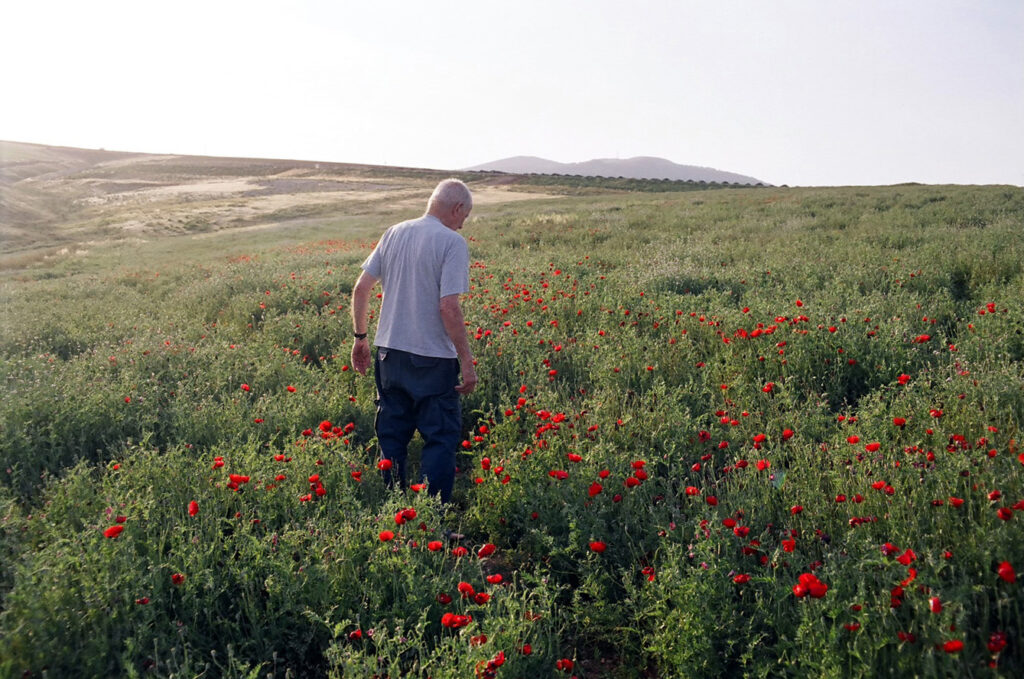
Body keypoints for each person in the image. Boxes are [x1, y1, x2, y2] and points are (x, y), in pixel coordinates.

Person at [350, 178, 477, 504]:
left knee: (391, 437)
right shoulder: (451, 242)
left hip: (389, 353)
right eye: (465, 216)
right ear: (457, 207)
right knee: (440, 437)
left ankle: (394, 509)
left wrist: (360, 338)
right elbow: (448, 306)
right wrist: (466, 360)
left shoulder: (394, 232)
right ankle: (431, 521)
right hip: (432, 359)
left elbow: (361, 288)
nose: (463, 224)